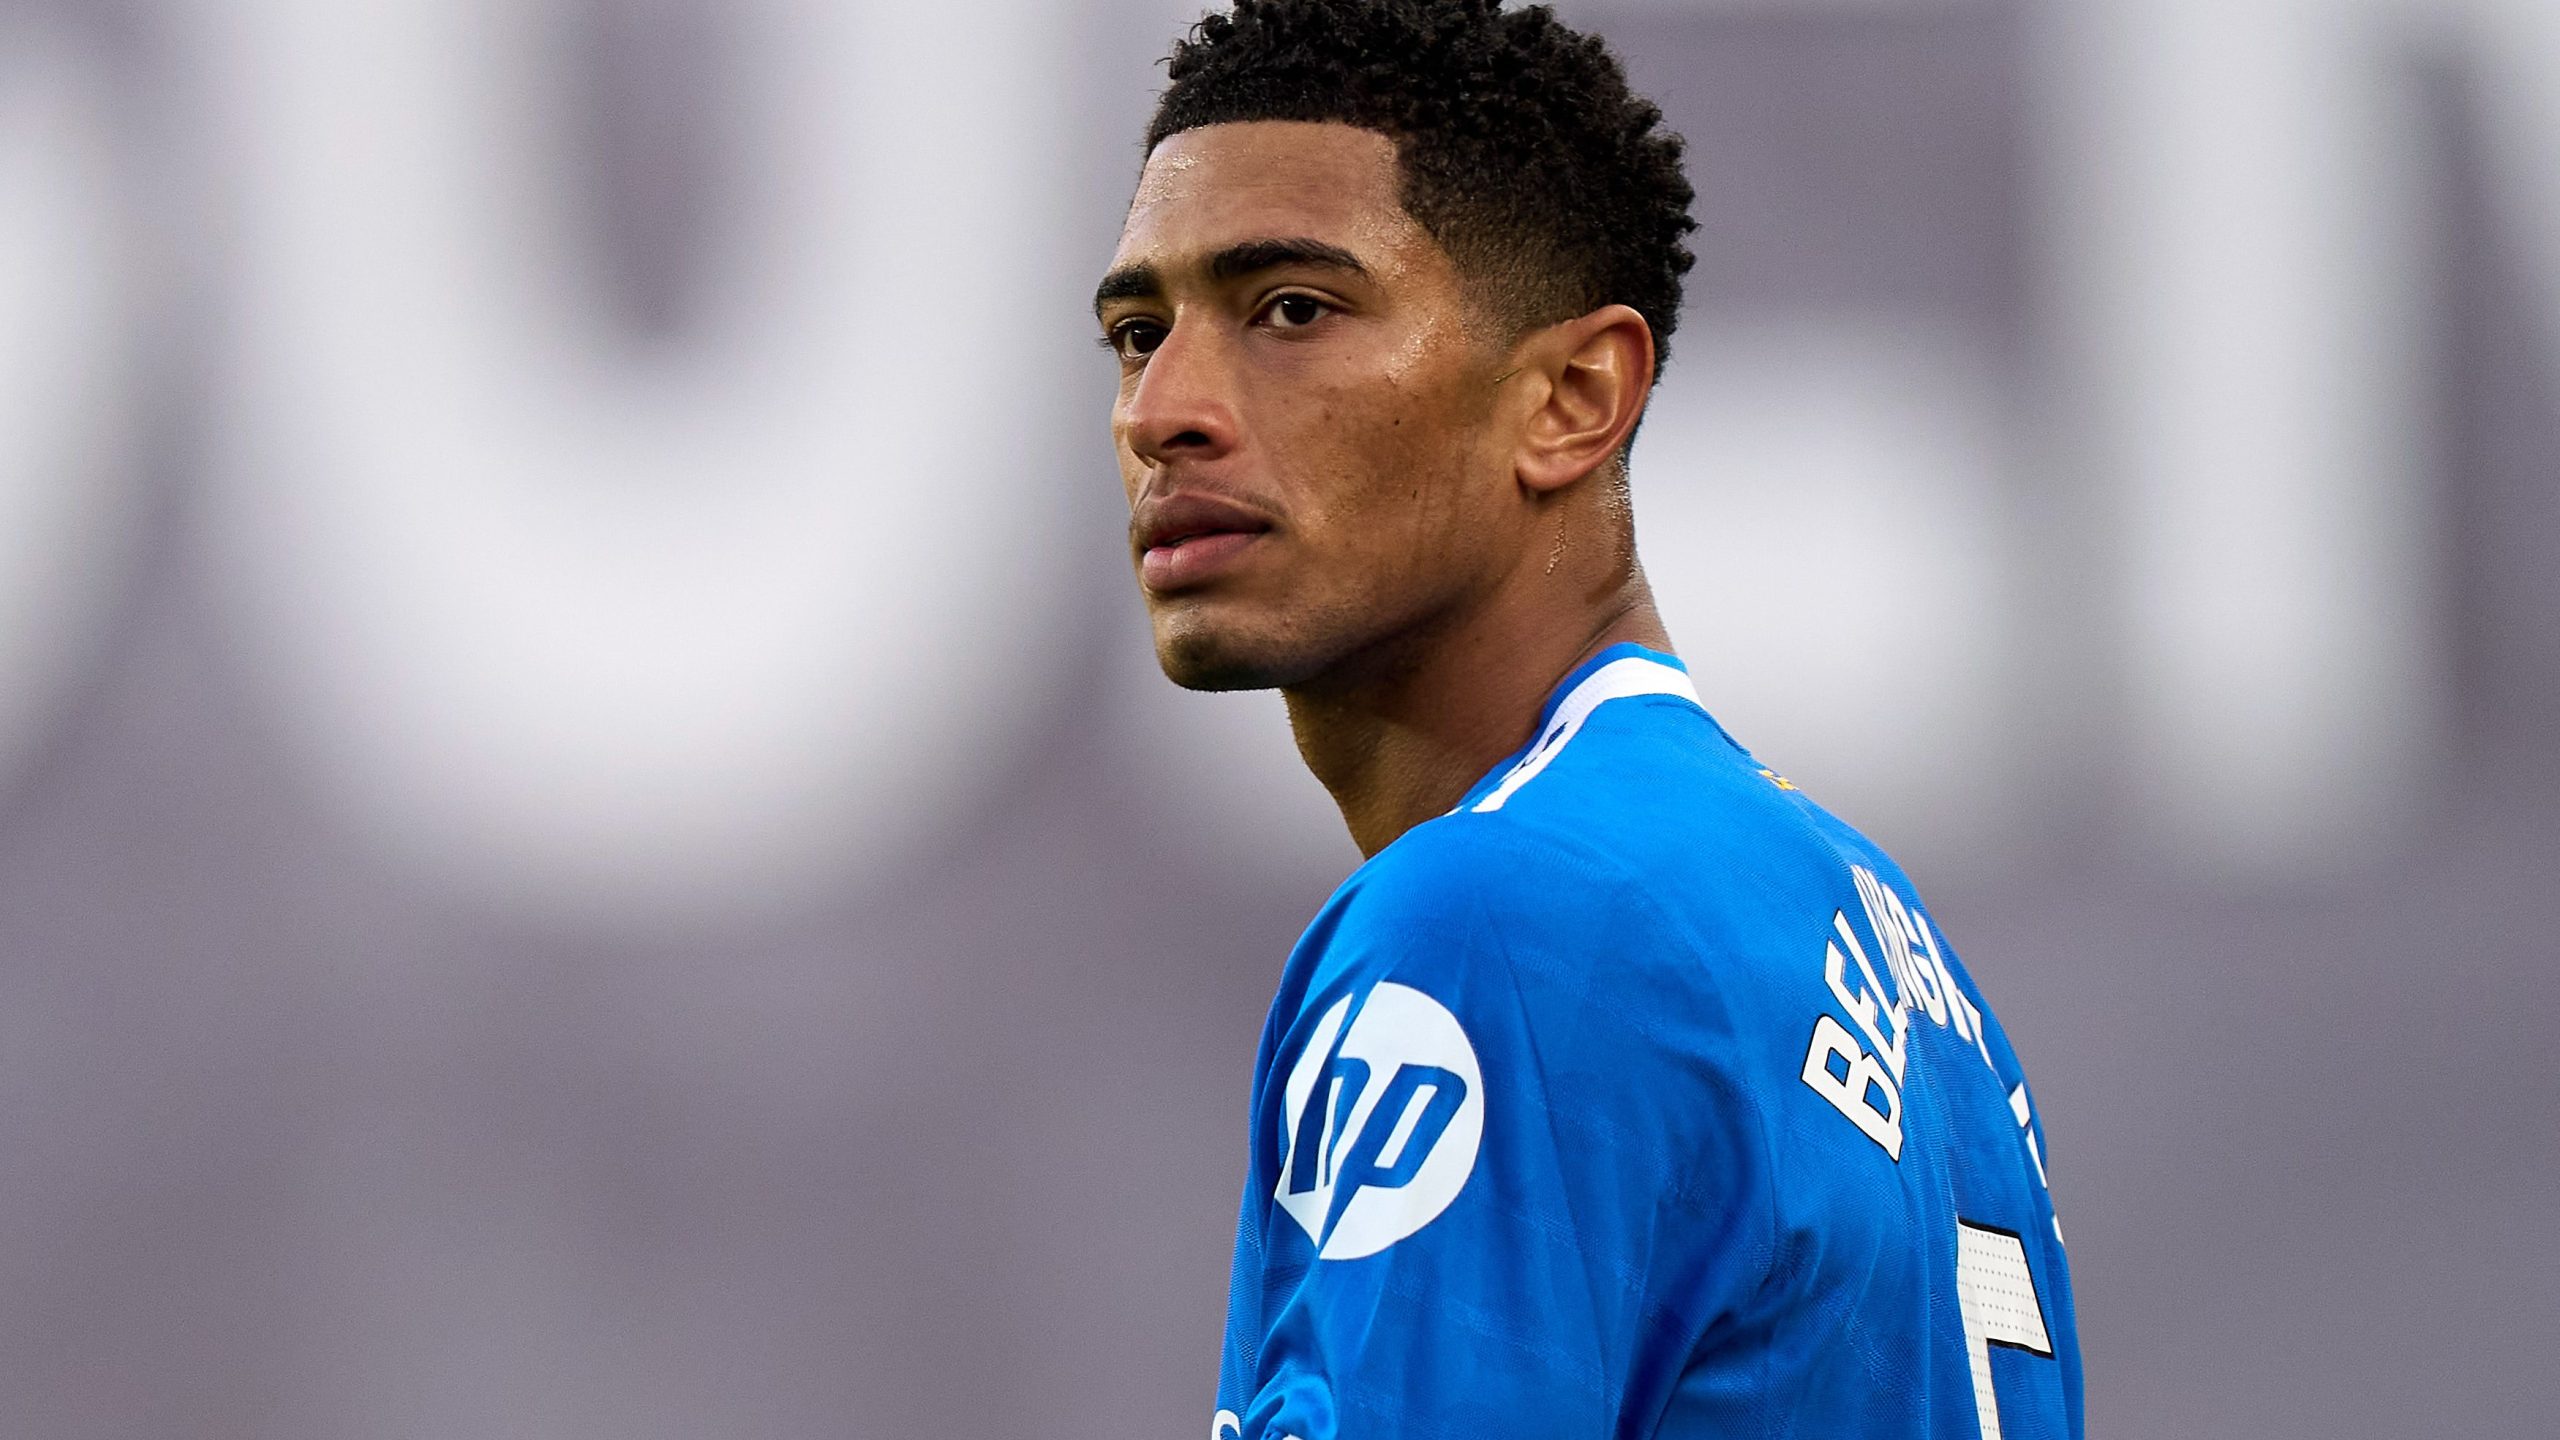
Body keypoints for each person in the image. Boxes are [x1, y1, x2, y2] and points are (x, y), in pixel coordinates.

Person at [1091, 1, 2084, 1435]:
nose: (1162, 410)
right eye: (1138, 335)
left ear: (1571, 396)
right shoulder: (1889, 950)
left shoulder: (1504, 920)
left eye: (1292, 309)